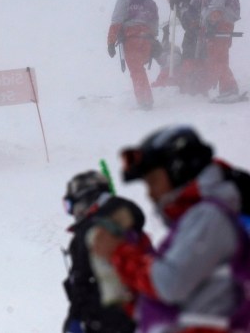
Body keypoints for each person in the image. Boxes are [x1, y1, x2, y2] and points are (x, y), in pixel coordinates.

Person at [90, 126, 248, 333]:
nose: (150, 194)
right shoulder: (192, 221)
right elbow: (166, 306)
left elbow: (171, 284)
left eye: (154, 181)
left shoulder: (209, 216)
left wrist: (120, 253)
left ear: (178, 170)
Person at [62, 171, 149, 333]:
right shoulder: (129, 222)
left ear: (84, 199)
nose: (71, 212)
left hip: (108, 321)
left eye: (69, 205)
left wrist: (74, 318)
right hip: (147, 313)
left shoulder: (88, 233)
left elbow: (81, 283)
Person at [107, 0, 159, 109]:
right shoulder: (150, 3)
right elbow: (155, 24)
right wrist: (153, 39)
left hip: (131, 39)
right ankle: (145, 98)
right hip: (147, 39)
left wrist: (111, 42)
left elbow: (116, 21)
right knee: (139, 68)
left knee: (136, 70)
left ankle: (145, 100)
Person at [160, 0, 206, 94]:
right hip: (202, 31)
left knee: (189, 56)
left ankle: (188, 86)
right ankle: (200, 86)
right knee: (201, 58)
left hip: (194, 30)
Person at [201, 0, 243, 102]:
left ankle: (228, 89)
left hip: (218, 26)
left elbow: (217, 5)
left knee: (217, 59)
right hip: (225, 26)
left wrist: (212, 22)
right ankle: (229, 87)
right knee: (221, 59)